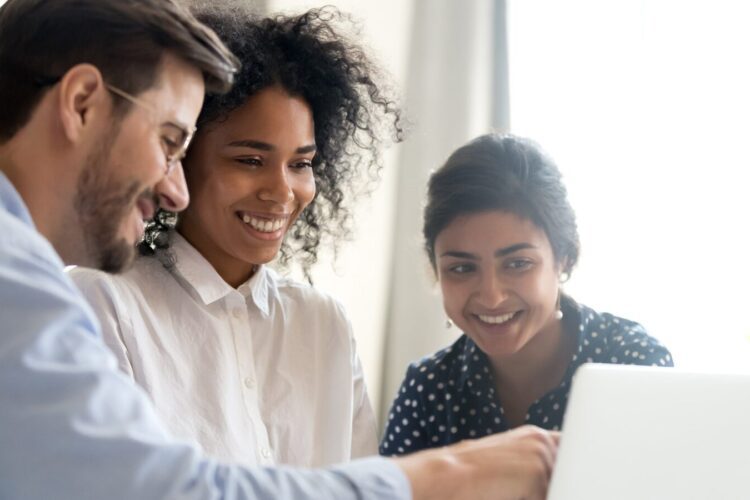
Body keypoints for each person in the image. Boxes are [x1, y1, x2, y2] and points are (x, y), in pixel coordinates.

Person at [0, 1, 559, 499]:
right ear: (79, 103)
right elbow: (157, 487)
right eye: (170, 142)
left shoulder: (323, 324)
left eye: (302, 163)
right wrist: (454, 474)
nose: (171, 187)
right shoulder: (63, 293)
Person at [70, 5, 400, 468]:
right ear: (179, 159)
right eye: (249, 160)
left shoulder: (324, 325)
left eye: (301, 163)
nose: (282, 191)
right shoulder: (103, 302)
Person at [381, 133, 673, 456]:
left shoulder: (634, 365)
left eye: (518, 264)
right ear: (436, 270)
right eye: (462, 269)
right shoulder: (427, 390)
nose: (491, 297)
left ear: (564, 258)